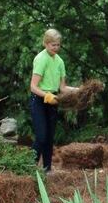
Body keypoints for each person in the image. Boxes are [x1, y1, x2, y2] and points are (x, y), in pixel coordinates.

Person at [29, 28, 79, 172]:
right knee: (41, 136)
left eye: (58, 45)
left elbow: (62, 88)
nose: (56, 48)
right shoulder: (41, 59)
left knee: (50, 138)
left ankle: (47, 169)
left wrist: (78, 90)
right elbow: (33, 86)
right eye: (53, 45)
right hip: (39, 100)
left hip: (53, 101)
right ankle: (30, 168)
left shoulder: (60, 61)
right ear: (45, 43)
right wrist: (46, 96)